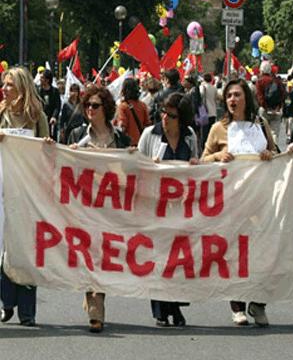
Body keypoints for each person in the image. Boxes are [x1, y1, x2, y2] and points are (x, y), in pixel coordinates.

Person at [201, 78, 277, 327]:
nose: (232, 100)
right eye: (229, 96)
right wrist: (216, 156)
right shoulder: (218, 129)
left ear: (247, 98)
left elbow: (276, 157)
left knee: (263, 254)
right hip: (230, 202)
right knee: (233, 254)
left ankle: (258, 302)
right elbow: (202, 162)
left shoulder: (261, 125)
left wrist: (269, 155)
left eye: (237, 95)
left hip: (260, 201)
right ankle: (237, 305)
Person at [68, 84, 130, 333]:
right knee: (88, 253)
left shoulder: (120, 138)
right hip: (84, 204)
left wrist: (132, 157)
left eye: (95, 105)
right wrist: (68, 153)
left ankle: (97, 297)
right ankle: (95, 304)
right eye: (87, 106)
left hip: (110, 206)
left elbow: (131, 169)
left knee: (104, 256)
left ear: (106, 108)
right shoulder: (76, 135)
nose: (90, 110)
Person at [138, 92, 198, 327]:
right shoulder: (149, 135)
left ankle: (175, 306)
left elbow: (197, 164)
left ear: (181, 119)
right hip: (155, 207)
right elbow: (137, 166)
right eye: (163, 112)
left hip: (180, 208)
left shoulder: (190, 137)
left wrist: (195, 163)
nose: (165, 118)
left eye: (171, 115)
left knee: (177, 259)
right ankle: (161, 309)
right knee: (159, 257)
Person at [0, 66, 49, 327]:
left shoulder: (36, 116)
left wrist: (48, 146)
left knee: (27, 251)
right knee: (4, 250)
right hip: (3, 190)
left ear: (21, 88)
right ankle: (7, 302)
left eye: (9, 85)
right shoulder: (0, 114)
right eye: (4, 85)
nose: (4, 89)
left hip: (28, 192)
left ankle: (27, 312)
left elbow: (46, 149)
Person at [256, 61, 285, 143]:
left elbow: (260, 97)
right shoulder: (277, 81)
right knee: (274, 133)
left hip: (264, 110)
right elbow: (283, 95)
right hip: (276, 110)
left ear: (261, 70)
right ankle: (274, 150)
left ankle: (266, 149)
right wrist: (278, 107)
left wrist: (266, 107)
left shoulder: (259, 81)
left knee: (263, 132)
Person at [115, 78, 150, 146]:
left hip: (128, 146)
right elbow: (147, 125)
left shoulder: (123, 107)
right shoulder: (143, 105)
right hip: (141, 144)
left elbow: (122, 127)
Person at [38, 69, 61, 140]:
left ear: (47, 80)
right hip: (40, 119)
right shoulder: (38, 90)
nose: (40, 79)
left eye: (42, 78)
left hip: (51, 121)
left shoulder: (55, 91)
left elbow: (57, 106)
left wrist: (54, 116)